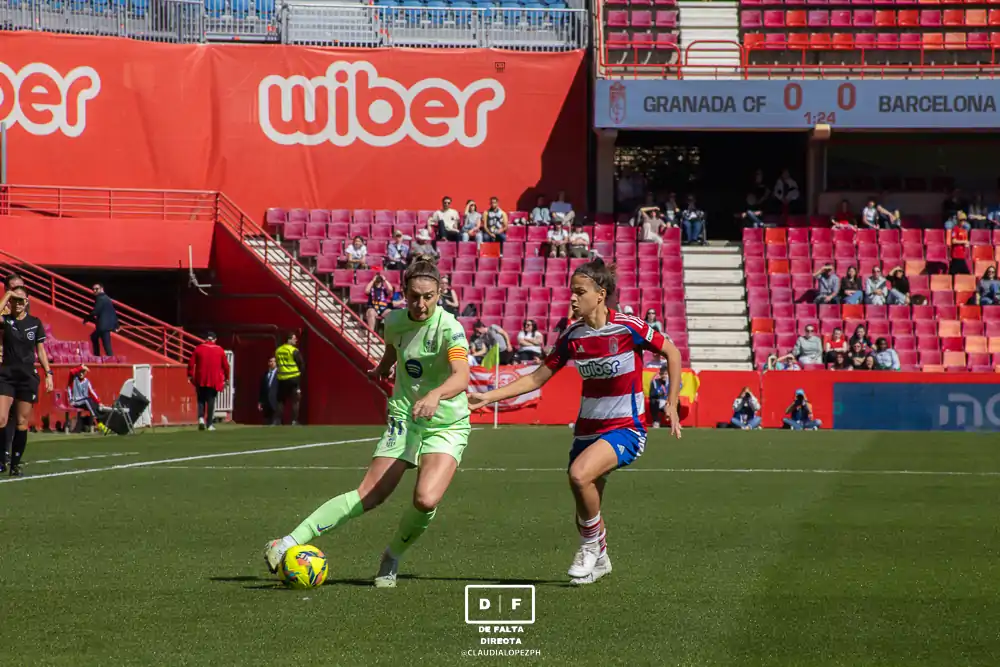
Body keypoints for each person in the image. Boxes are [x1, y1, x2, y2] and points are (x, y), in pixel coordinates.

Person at [468, 258, 683, 585]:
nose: (571, 298)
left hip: (626, 428)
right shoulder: (572, 335)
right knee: (585, 498)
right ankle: (602, 558)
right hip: (587, 431)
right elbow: (537, 377)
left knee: (579, 474)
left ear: (600, 294)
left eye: (579, 292)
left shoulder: (628, 327)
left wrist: (671, 399)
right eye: (571, 291)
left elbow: (672, 352)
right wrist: (489, 396)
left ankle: (588, 549)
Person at [264, 260, 472, 588]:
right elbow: (395, 350)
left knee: (426, 500)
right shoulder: (394, 322)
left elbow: (462, 376)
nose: (421, 304)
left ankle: (392, 556)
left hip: (446, 423)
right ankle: (288, 541)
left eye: (429, 297)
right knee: (370, 494)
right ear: (404, 293)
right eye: (414, 297)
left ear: (440, 294)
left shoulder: (450, 328)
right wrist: (382, 367)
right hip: (405, 417)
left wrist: (435, 395)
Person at [0, 287, 54, 476]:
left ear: (28, 302)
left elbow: (40, 351)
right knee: (1, 418)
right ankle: (1, 459)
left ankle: (15, 464)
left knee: (22, 422)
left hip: (27, 377)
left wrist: (49, 373)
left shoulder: (35, 323)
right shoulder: (6, 321)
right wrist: (7, 295)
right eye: (15, 300)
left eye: (21, 300)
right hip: (6, 375)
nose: (18, 303)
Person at [187, 331, 230, 431]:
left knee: (201, 399)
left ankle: (201, 418)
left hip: (200, 378)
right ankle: (209, 423)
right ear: (215, 339)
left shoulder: (199, 348)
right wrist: (227, 378)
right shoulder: (219, 350)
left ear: (206, 339)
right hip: (214, 379)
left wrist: (190, 375)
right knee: (211, 400)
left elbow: (191, 362)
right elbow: (226, 366)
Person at [67, 365, 109, 434]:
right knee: (88, 400)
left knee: (96, 405)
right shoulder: (74, 379)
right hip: (74, 401)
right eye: (80, 371)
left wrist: (99, 402)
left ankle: (103, 424)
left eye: (83, 372)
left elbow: (92, 393)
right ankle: (98, 423)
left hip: (85, 402)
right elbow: (71, 372)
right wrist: (81, 367)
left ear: (86, 373)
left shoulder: (87, 381)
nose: (81, 373)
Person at [275, 332, 305, 426]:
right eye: (294, 338)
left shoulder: (278, 350)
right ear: (289, 339)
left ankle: (278, 421)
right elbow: (301, 363)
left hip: (282, 378)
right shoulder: (293, 350)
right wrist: (300, 374)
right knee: (295, 400)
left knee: (280, 400)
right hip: (293, 378)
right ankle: (294, 421)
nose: (296, 340)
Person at [85, 283, 119, 357]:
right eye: (93, 289)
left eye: (96, 289)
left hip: (103, 326)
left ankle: (100, 356)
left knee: (106, 345)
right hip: (105, 325)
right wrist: (116, 325)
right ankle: (98, 355)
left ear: (101, 289)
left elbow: (96, 311)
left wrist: (87, 318)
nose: (94, 291)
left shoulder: (100, 298)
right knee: (95, 337)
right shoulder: (106, 298)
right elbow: (112, 312)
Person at [258, 356, 280, 426]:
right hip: (266, 402)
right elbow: (262, 389)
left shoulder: (279, 374)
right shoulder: (265, 374)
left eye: (274, 361)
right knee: (266, 421)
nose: (272, 363)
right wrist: (260, 402)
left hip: (276, 401)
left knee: (275, 421)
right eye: (271, 361)